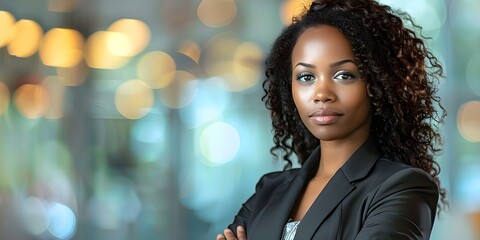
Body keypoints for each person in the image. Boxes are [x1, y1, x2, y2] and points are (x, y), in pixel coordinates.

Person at [216, 0, 447, 239]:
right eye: (306, 76)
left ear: (377, 85)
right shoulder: (268, 191)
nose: (321, 94)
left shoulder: (402, 187)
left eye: (344, 75)